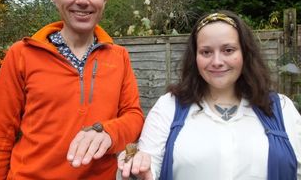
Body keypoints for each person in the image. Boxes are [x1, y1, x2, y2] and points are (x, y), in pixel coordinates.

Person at [0, 0, 144, 179]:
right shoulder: (22, 55)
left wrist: (108, 132)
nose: (83, 0)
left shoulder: (118, 57)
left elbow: (134, 117)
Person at [117, 10, 301, 180]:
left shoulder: (281, 109)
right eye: (206, 52)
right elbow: (149, 165)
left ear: (245, 53)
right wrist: (136, 170)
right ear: (195, 57)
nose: (217, 61)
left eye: (228, 50)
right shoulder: (169, 107)